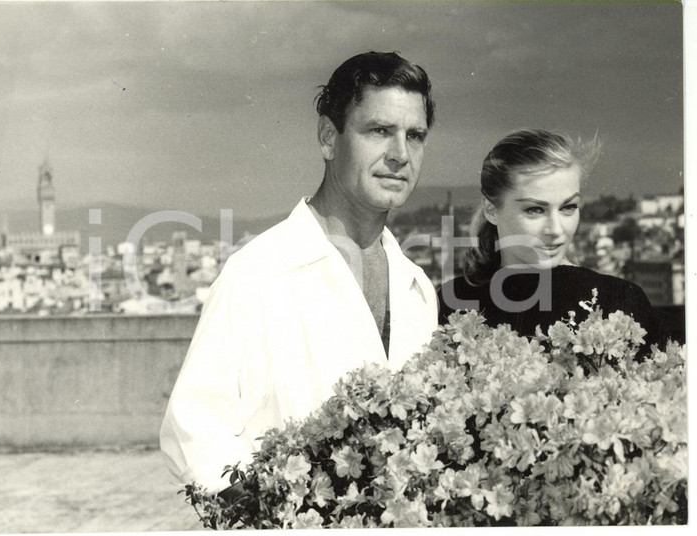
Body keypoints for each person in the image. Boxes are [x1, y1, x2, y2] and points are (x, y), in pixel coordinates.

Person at [161, 51, 439, 495]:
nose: (401, 154)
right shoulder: (258, 275)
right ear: (329, 138)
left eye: (416, 135)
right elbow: (192, 433)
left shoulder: (419, 291)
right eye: (380, 131)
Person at [438, 128, 662, 350]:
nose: (556, 230)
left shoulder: (620, 302)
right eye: (535, 210)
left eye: (568, 207)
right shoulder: (453, 303)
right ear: (491, 210)